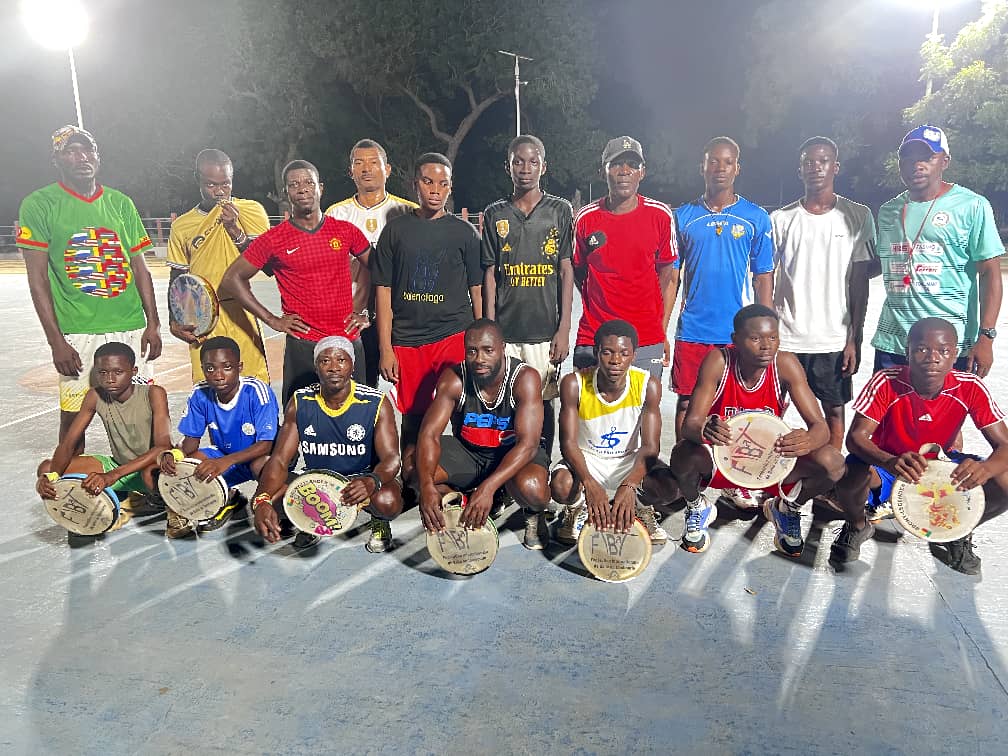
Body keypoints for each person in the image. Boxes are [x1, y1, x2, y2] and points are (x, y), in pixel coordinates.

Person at [18, 126, 162, 445]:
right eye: (71, 151)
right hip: (78, 330)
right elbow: (37, 278)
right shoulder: (39, 204)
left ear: (97, 157)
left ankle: (148, 485)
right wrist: (56, 341)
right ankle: (68, 485)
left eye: (88, 151)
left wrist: (152, 323)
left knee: (142, 412)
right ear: (57, 159)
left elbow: (139, 267)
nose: (82, 157)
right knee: (74, 418)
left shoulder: (120, 203)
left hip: (129, 326)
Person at [831, 318, 1008, 575]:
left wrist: (986, 469)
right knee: (853, 470)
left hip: (939, 467)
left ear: (954, 355)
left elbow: (1004, 445)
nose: (932, 358)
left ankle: (958, 531)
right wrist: (888, 461)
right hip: (889, 466)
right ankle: (857, 525)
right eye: (922, 349)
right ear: (908, 352)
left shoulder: (969, 387)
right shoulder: (886, 381)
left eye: (943, 351)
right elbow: (856, 438)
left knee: (1004, 478)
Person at [667, 305, 845, 557]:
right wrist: (706, 429)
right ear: (735, 340)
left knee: (833, 462)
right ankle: (697, 506)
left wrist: (806, 440)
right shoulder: (719, 361)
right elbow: (690, 425)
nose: (766, 346)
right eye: (755, 338)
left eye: (773, 337)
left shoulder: (785, 364)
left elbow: (821, 428)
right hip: (724, 461)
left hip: (769, 464)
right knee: (682, 453)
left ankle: (787, 508)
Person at [220, 160, 372, 405]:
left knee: (358, 416)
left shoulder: (345, 231)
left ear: (320, 188)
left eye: (309, 183)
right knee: (300, 419)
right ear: (286, 192)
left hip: (347, 339)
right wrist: (272, 320)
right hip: (304, 343)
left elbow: (377, 268)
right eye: (294, 184)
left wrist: (365, 310)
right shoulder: (274, 239)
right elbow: (232, 279)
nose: (302, 189)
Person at [372, 152, 483, 454]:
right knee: (413, 419)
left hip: (454, 336)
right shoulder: (395, 231)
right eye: (428, 182)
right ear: (415, 184)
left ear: (450, 187)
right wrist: (386, 348)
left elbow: (477, 290)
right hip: (408, 341)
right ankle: (414, 480)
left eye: (443, 183)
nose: (435, 190)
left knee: (463, 413)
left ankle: (467, 475)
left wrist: (480, 343)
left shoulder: (465, 233)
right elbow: (383, 292)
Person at [871, 125, 1003, 377]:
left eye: (927, 157)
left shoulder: (972, 206)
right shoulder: (888, 210)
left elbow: (989, 273)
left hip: (946, 345)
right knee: (889, 417)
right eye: (908, 158)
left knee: (942, 416)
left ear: (945, 161)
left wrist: (986, 336)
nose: (916, 165)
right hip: (894, 343)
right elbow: (881, 262)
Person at [771, 137, 876, 449]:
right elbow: (764, 278)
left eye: (823, 161)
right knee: (771, 409)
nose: (815, 167)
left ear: (836, 167)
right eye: (808, 162)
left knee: (833, 412)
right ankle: (763, 482)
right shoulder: (780, 219)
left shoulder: (858, 215)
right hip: (786, 339)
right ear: (799, 170)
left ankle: (828, 481)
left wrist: (853, 339)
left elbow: (860, 283)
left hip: (832, 339)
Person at [251, 336, 404, 553]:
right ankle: (311, 519)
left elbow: (391, 458)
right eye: (325, 361)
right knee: (265, 475)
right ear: (316, 367)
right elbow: (280, 460)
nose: (333, 367)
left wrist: (372, 481)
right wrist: (261, 499)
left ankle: (379, 522)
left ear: (352, 366)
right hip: (318, 481)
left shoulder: (375, 402)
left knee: (388, 501)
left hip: (359, 481)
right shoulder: (300, 401)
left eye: (341, 360)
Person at [411, 319, 551, 549]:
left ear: (502, 348)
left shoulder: (524, 378)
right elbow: (429, 435)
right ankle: (461, 503)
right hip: (471, 453)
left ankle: (533, 514)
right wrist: (426, 486)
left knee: (533, 488)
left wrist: (488, 487)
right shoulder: (454, 378)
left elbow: (528, 444)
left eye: (488, 350)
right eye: (472, 351)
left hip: (513, 454)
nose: (480, 359)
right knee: (414, 469)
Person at [672, 137, 775, 440]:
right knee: (688, 403)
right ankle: (686, 476)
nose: (720, 168)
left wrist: (766, 328)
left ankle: (734, 480)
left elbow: (763, 276)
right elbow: (672, 277)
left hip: (736, 330)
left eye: (727, 162)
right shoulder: (683, 217)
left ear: (737, 168)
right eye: (713, 161)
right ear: (702, 167)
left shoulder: (756, 217)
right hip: (693, 328)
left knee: (736, 406)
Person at [482, 134, 574, 455]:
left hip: (543, 332)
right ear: (508, 167)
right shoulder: (495, 213)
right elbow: (490, 274)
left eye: (533, 161)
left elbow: (565, 272)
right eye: (518, 161)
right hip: (507, 331)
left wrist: (563, 330)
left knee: (543, 403)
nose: (525, 168)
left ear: (543, 166)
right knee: (504, 405)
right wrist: (490, 329)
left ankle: (541, 467)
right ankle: (506, 475)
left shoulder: (559, 210)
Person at [551, 319, 676, 546]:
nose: (616, 360)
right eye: (608, 352)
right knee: (560, 485)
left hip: (628, 459)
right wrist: (589, 482)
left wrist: (629, 485)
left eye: (623, 353)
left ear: (634, 355)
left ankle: (641, 506)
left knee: (668, 487)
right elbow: (568, 443)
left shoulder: (648, 384)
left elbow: (650, 447)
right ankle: (577, 508)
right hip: (588, 459)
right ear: (597, 352)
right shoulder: (574, 383)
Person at [35, 342, 172, 544]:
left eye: (118, 372)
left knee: (151, 473)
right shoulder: (95, 395)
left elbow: (163, 446)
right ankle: (112, 499)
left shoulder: (154, 393)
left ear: (133, 371)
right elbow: (68, 444)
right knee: (46, 467)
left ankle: (159, 500)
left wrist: (111, 476)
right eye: (103, 372)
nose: (109, 379)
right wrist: (51, 477)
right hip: (117, 466)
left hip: (150, 467)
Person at [572, 136, 678, 381]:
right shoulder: (586, 218)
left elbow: (668, 277)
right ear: (603, 171)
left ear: (643, 172)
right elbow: (579, 272)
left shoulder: (660, 215)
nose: (624, 171)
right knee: (589, 416)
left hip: (646, 338)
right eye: (616, 164)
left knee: (642, 416)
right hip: (594, 335)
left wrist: (659, 329)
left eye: (632, 164)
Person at [167, 149, 271, 384]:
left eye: (226, 183)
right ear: (198, 180)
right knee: (209, 388)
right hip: (202, 317)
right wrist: (174, 318)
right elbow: (178, 277)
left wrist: (235, 230)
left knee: (254, 385)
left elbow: (267, 265)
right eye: (211, 185)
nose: (220, 191)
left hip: (242, 311)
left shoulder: (251, 211)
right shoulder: (182, 225)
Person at [158, 337, 279, 538]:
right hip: (224, 454)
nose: (219, 375)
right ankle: (225, 498)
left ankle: (273, 504)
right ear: (203, 369)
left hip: (260, 456)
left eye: (227, 367)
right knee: (188, 462)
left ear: (239, 367)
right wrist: (174, 455)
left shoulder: (257, 391)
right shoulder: (200, 393)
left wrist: (225, 461)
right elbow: (190, 441)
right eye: (210, 369)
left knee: (262, 465)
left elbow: (266, 444)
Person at [325, 139, 418, 388]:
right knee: (361, 391)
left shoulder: (408, 212)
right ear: (351, 171)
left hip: (402, 319)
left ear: (387, 170)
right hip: (353, 320)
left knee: (409, 393)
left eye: (374, 163)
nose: (366, 169)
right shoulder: (336, 215)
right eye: (359, 163)